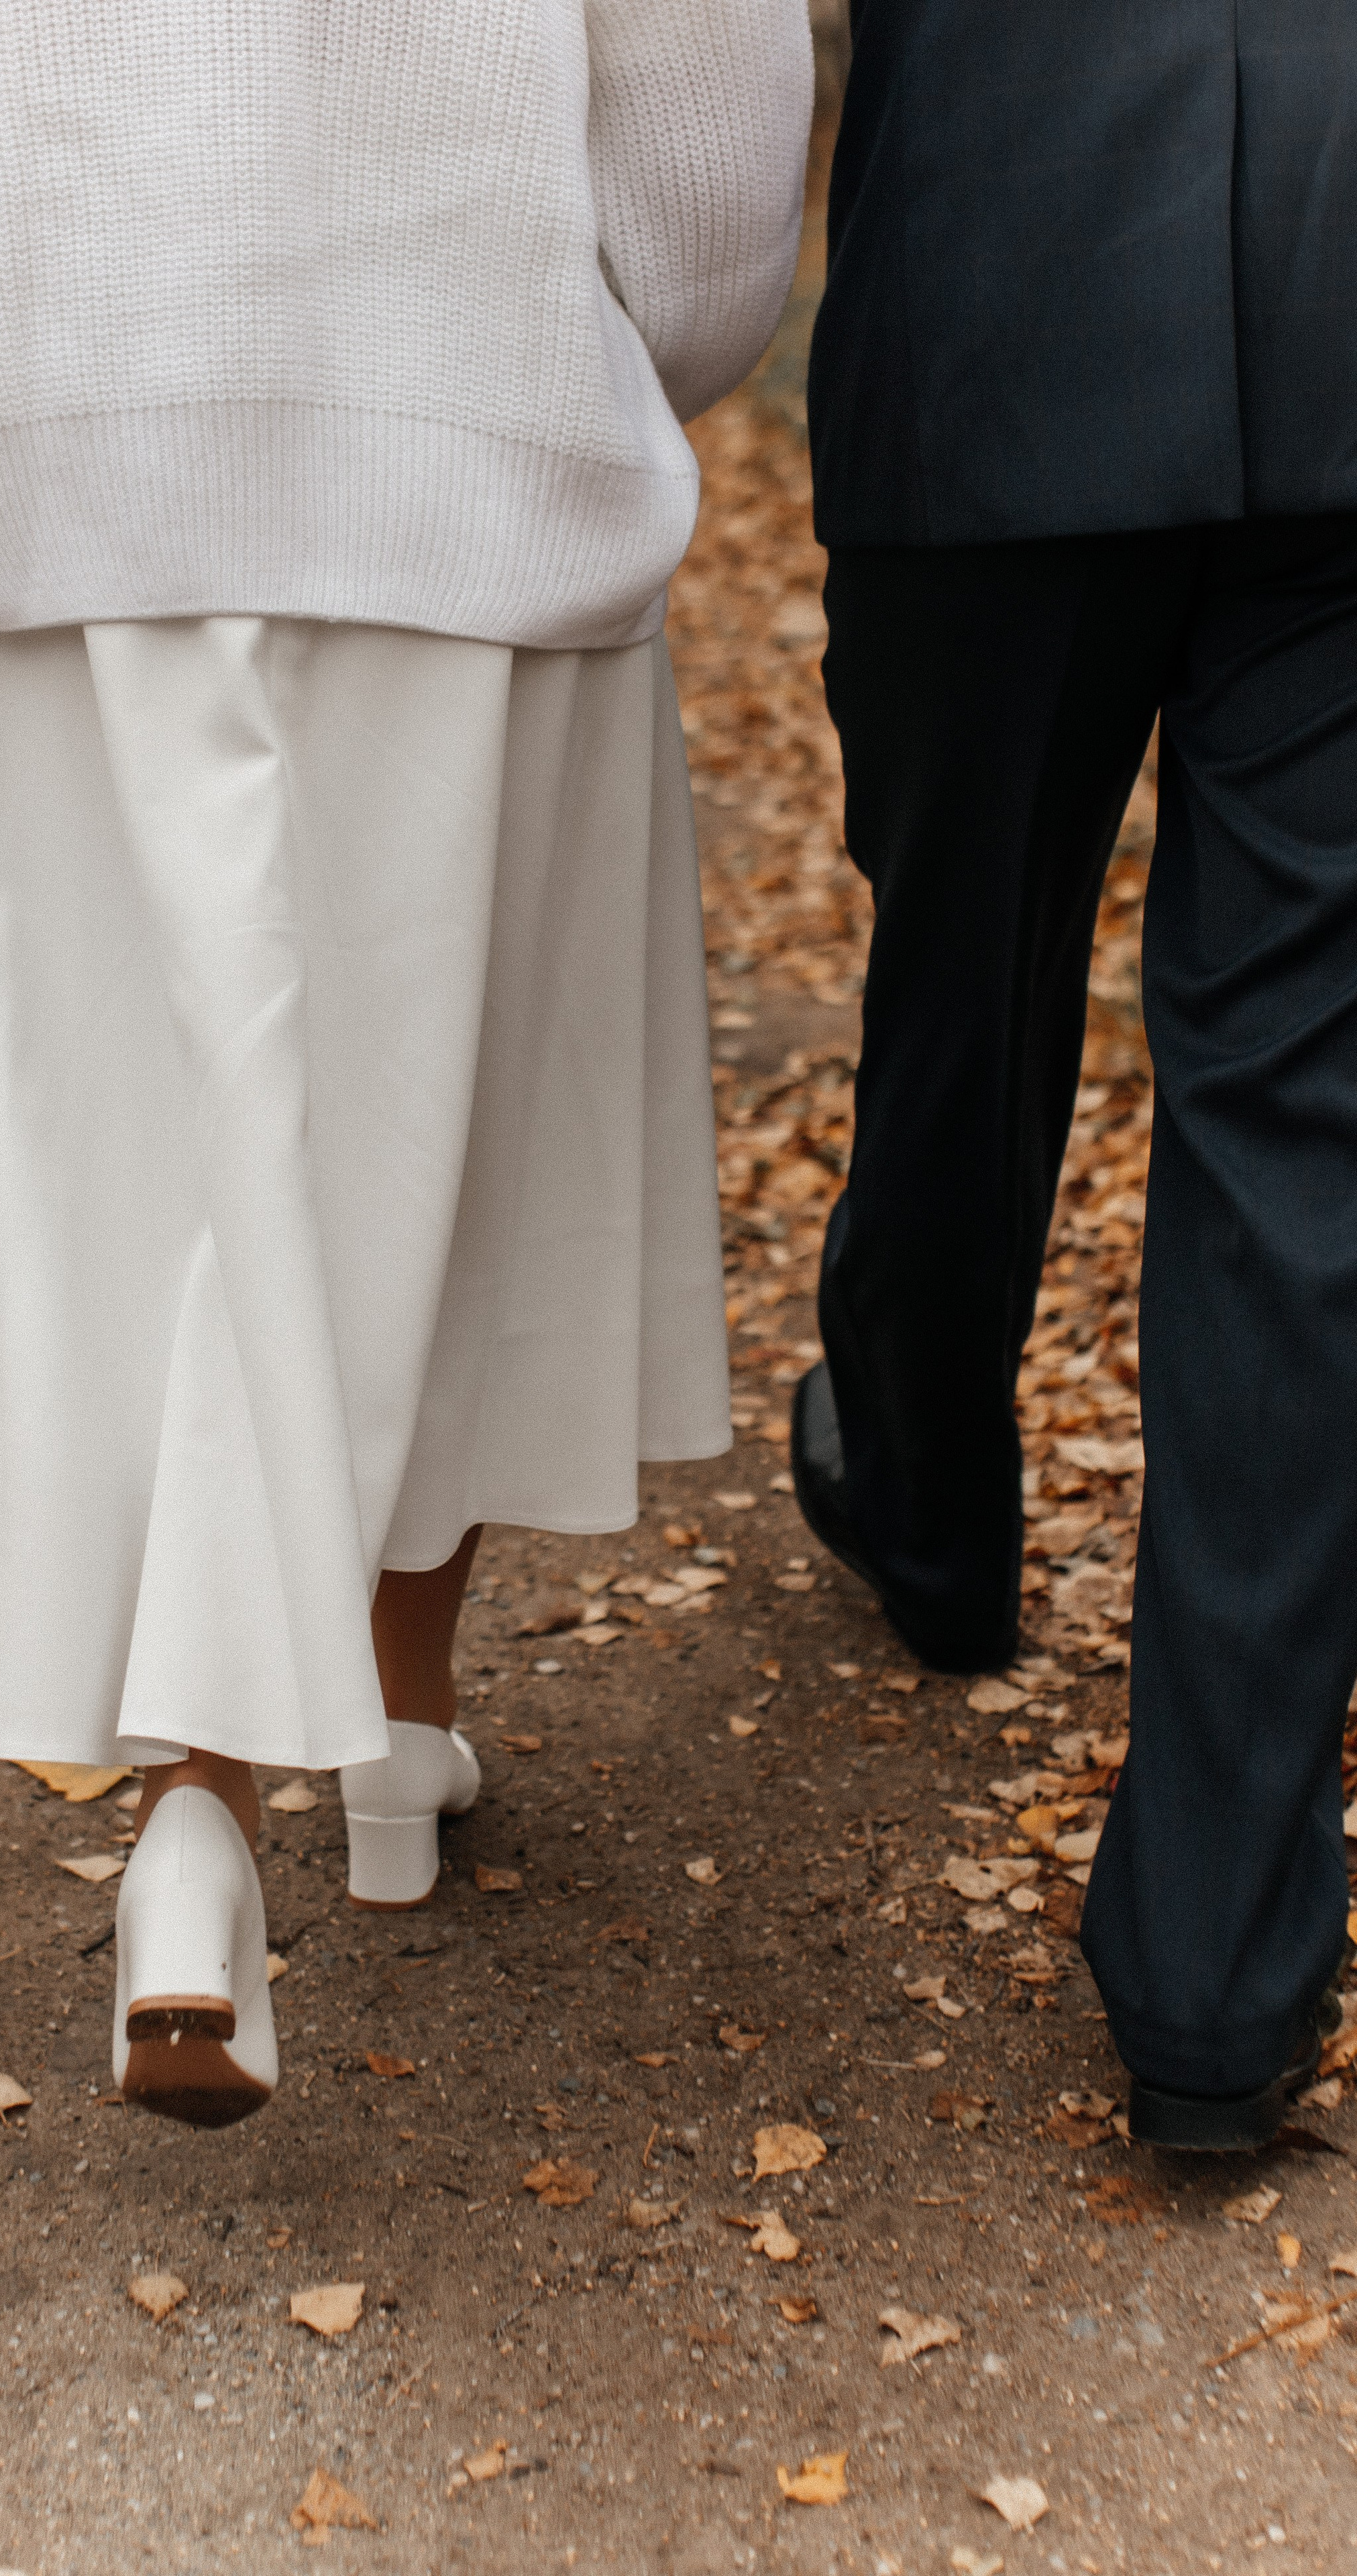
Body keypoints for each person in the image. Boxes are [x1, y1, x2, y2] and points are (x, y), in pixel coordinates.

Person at [0, 0, 814, 2129]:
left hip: (87, 424)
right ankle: (361, 1731)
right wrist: (551, 330)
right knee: (434, 1115)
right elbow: (704, 164)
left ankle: (233, 1795)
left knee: (156, 1141)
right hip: (471, 438)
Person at [791, 0, 1357, 2149]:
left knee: (965, 988)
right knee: (1300, 1116)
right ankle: (1217, 1973)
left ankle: (931, 1515)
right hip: (1339, 257)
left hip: (1005, 272)